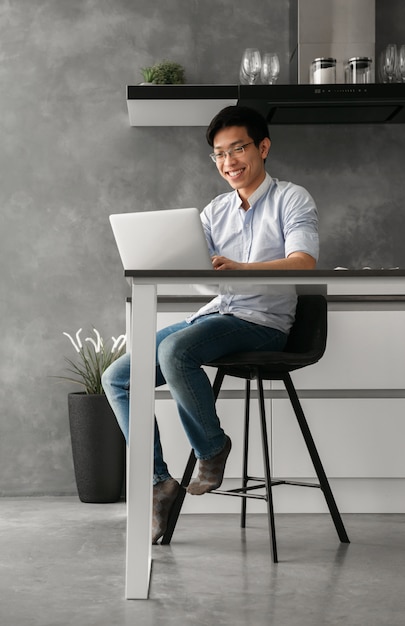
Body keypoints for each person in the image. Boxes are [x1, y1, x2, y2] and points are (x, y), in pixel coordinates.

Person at [102, 105, 319, 544]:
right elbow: (190, 263)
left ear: (263, 147)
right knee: (119, 377)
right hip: (219, 315)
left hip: (265, 320)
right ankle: (158, 482)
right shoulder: (214, 210)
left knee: (174, 351)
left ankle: (212, 448)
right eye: (219, 155)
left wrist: (242, 269)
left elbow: (304, 262)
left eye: (237, 149)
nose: (229, 162)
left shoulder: (292, 198)